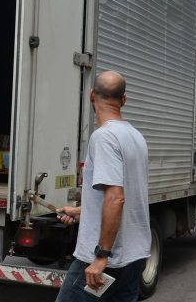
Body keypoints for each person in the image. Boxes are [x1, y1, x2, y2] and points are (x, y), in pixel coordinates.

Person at [55, 71, 150, 302]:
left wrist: (101, 256)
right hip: (135, 256)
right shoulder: (135, 136)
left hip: (108, 259)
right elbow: (123, 197)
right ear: (124, 100)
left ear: (91, 96)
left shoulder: (104, 137)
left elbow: (116, 198)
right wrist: (80, 213)